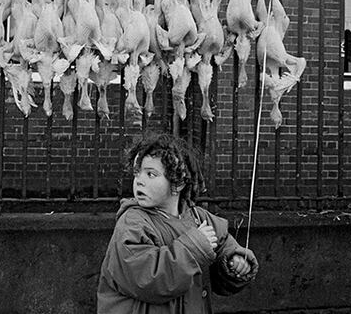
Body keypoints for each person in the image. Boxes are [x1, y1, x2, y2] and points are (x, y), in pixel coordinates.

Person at [97, 132, 259, 313]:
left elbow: (222, 246)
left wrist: (233, 262)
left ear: (178, 182)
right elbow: (145, 279)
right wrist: (193, 249)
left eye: (151, 174)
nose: (139, 181)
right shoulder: (132, 223)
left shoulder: (199, 219)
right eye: (137, 173)